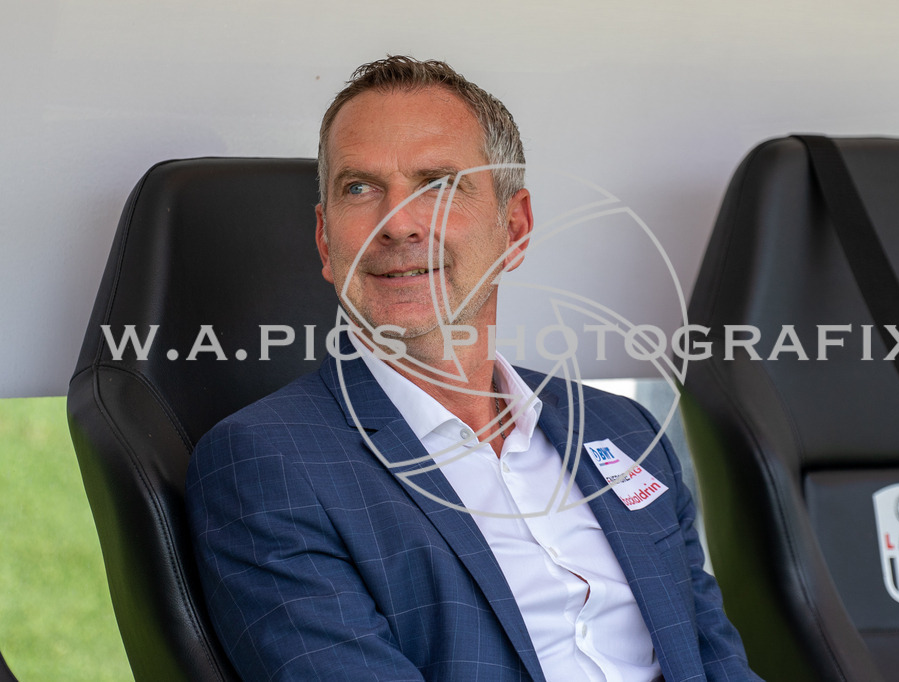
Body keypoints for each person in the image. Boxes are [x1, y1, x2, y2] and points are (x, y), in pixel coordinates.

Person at [186, 55, 759, 681]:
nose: (397, 224)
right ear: (326, 241)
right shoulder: (266, 465)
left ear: (513, 228)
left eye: (437, 184)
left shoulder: (623, 430)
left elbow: (718, 661)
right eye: (359, 188)